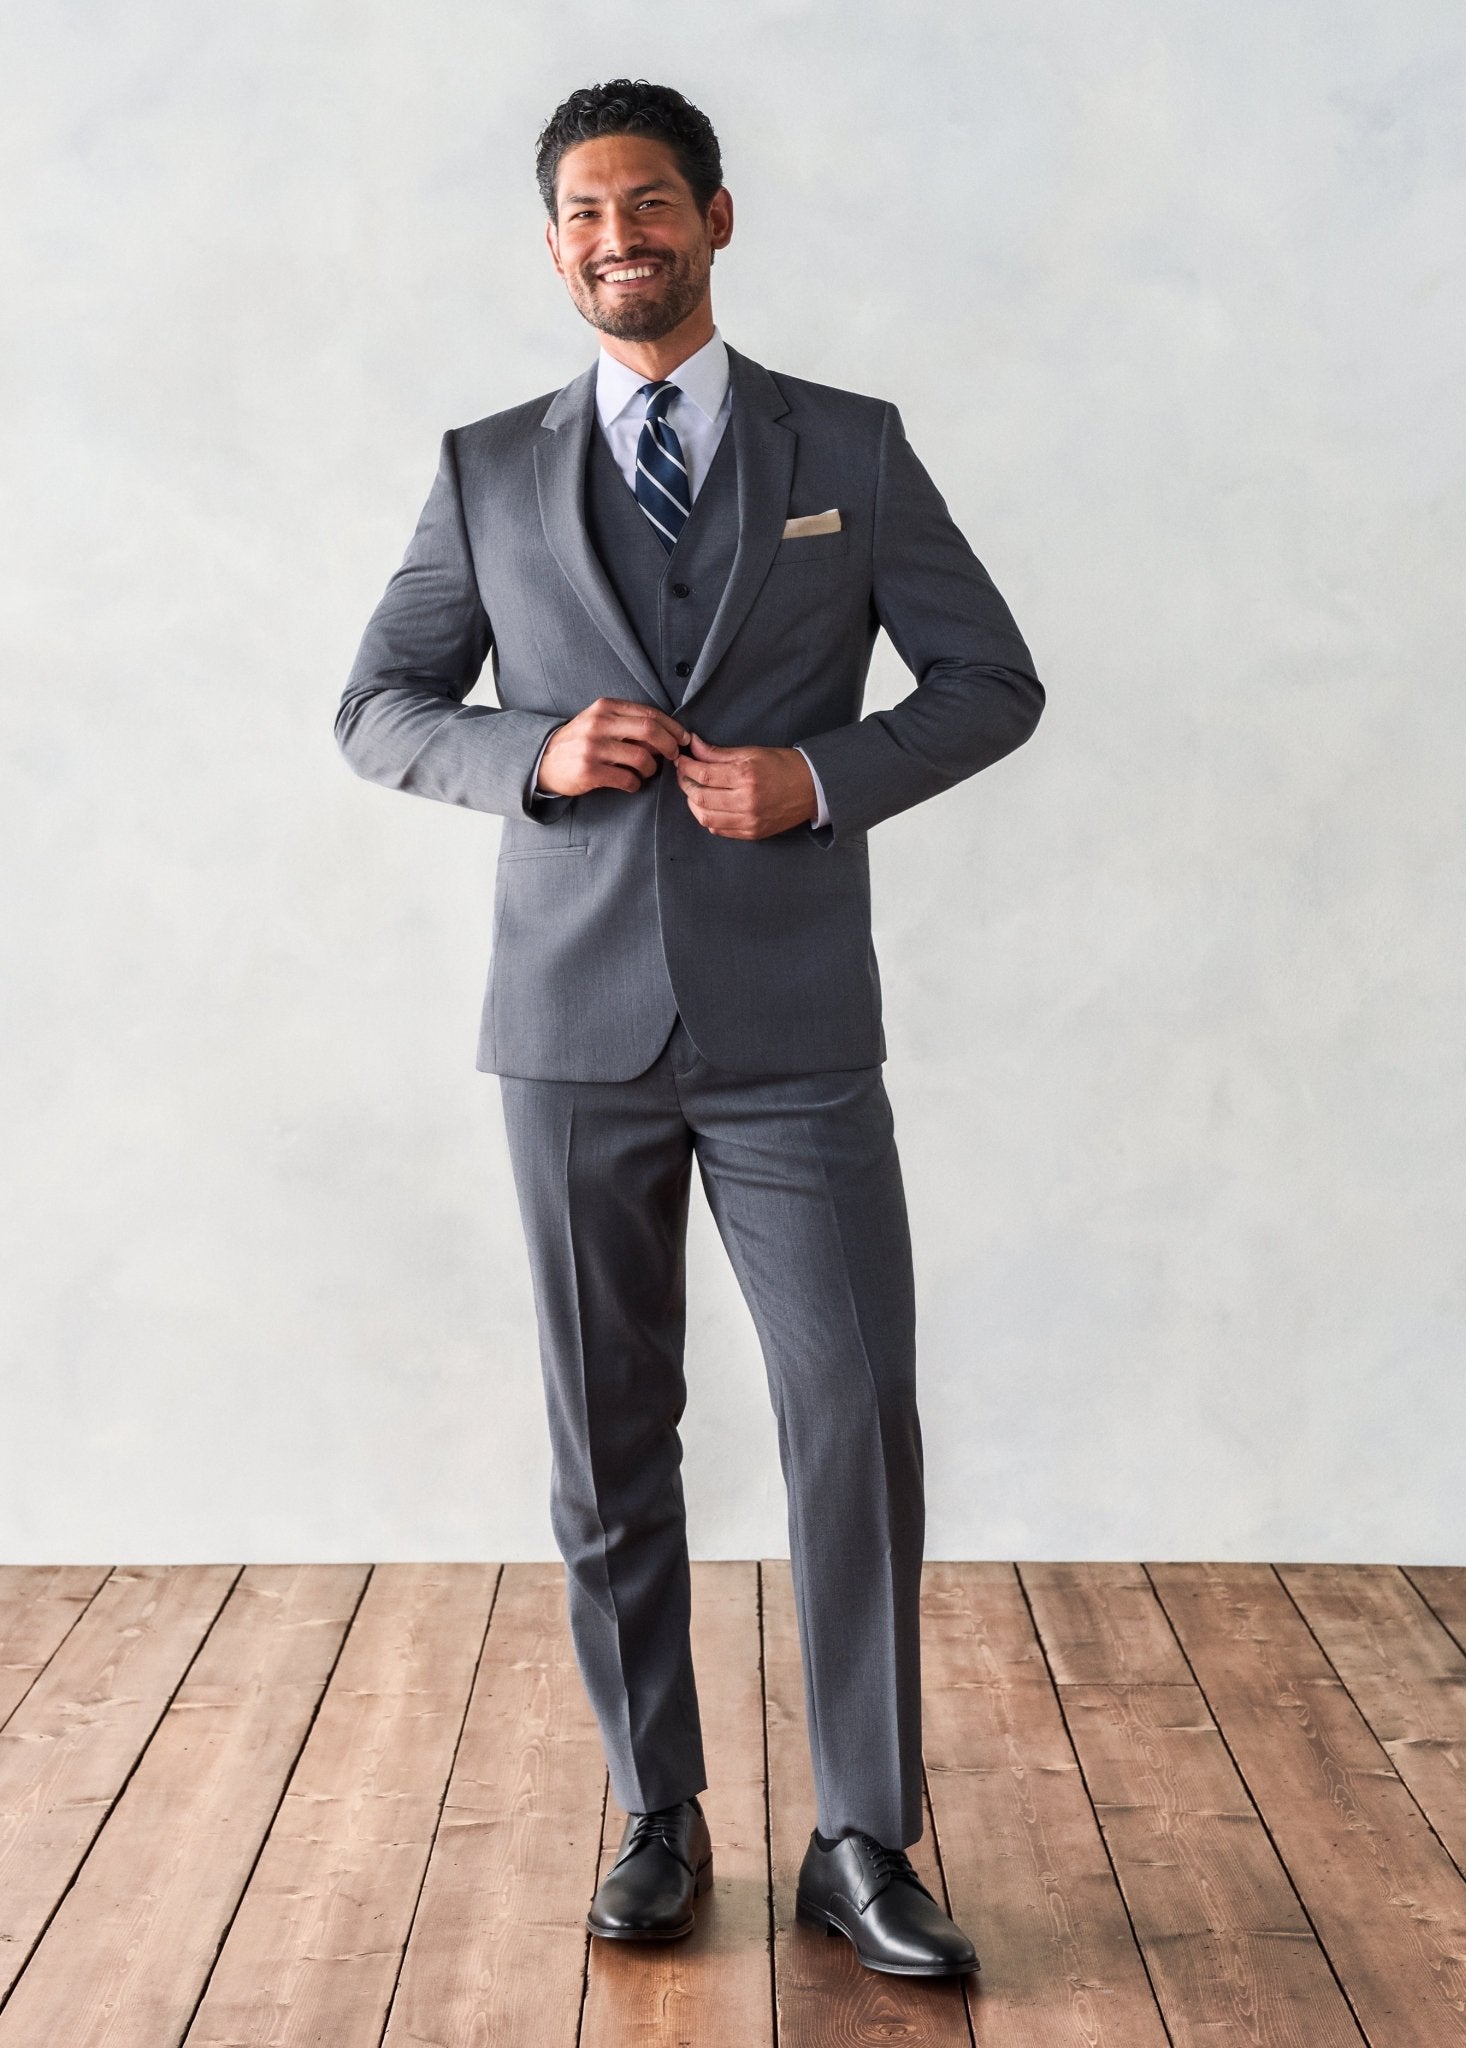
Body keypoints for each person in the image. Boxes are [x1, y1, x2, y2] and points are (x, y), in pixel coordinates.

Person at [336, 78, 1043, 1978]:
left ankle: (865, 1838)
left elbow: (991, 682)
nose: (613, 238)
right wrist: (533, 753)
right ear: (553, 243)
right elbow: (380, 707)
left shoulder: (851, 448)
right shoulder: (488, 468)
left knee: (855, 1416)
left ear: (717, 220)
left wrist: (815, 779)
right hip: (569, 1033)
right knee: (607, 1437)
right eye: (580, 214)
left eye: (647, 203)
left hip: (795, 1028)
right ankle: (658, 1813)